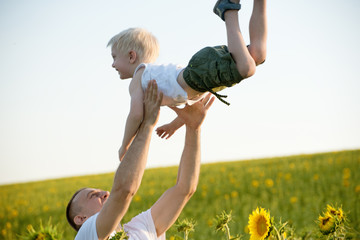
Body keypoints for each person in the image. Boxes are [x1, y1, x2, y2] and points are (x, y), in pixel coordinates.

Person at [108, 0, 267, 160]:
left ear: (131, 56)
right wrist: (173, 126)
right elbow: (189, 110)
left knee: (247, 68)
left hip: (199, 72)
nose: (112, 64)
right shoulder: (158, 79)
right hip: (205, 78)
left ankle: (227, 9)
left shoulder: (139, 76)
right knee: (257, 54)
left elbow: (135, 115)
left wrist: (125, 145)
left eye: (114, 57)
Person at [66, 80, 215, 240]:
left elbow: (185, 189)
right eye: (93, 195)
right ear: (81, 219)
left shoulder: (141, 228)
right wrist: (147, 125)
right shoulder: (87, 234)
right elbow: (123, 191)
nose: (105, 193)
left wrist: (193, 128)